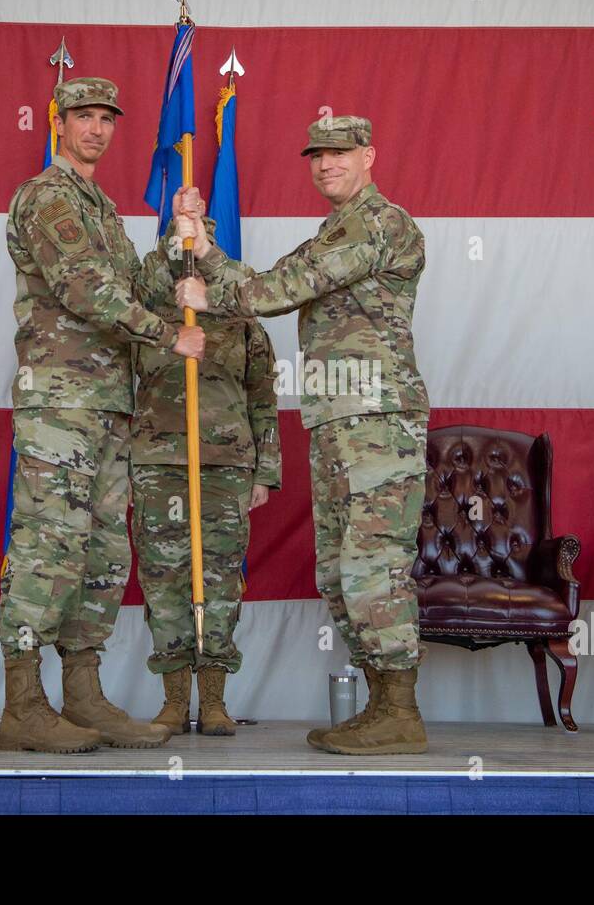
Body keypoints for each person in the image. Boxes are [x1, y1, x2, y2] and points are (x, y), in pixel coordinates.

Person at [173, 115, 431, 755]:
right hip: (336, 419)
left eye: (340, 152)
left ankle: (401, 712)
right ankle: (380, 705)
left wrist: (207, 270)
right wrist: (201, 244)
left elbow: (277, 290)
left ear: (370, 154)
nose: (325, 164)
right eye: (315, 154)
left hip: (376, 422)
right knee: (341, 574)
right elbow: (264, 283)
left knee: (375, 568)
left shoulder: (380, 224)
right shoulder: (332, 231)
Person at [0, 77, 204, 753]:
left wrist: (180, 240)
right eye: (83, 116)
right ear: (58, 121)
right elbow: (85, 289)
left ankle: (83, 693)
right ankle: (23, 702)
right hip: (61, 401)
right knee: (49, 544)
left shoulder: (103, 209)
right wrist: (167, 332)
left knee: (104, 553)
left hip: (110, 404)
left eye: (106, 118)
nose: (96, 128)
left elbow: (131, 282)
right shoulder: (48, 197)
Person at [130, 213, 281, 736]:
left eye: (200, 239)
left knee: (218, 580)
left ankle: (214, 698)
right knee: (164, 579)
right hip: (157, 462)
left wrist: (265, 472)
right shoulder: (146, 307)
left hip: (226, 465)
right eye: (181, 240)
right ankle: (173, 701)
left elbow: (263, 396)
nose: (191, 247)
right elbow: (141, 284)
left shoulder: (240, 318)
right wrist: (172, 244)